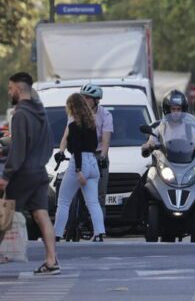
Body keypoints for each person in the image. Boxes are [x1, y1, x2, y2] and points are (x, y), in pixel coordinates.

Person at [0, 72, 60, 275]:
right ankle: (52, 260)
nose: (10, 92)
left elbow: (18, 149)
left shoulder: (19, 114)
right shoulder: (41, 113)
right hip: (39, 172)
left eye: (10, 88)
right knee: (41, 214)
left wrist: (6, 175)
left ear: (18, 88)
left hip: (23, 173)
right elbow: (47, 144)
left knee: (4, 214)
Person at [54, 93, 106, 242]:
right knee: (93, 202)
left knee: (63, 201)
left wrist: (78, 171)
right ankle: (99, 232)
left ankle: (57, 234)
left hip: (80, 162)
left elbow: (76, 149)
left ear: (72, 107)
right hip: (92, 161)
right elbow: (95, 145)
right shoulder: (91, 124)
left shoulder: (73, 125)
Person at [59, 84, 112, 214]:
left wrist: (103, 157)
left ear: (96, 100)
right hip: (80, 154)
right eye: (83, 97)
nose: (85, 100)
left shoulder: (105, 115)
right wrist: (61, 151)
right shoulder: (74, 114)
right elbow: (66, 135)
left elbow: (105, 141)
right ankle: (74, 222)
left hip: (98, 153)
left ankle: (100, 230)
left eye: (88, 98)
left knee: (99, 195)